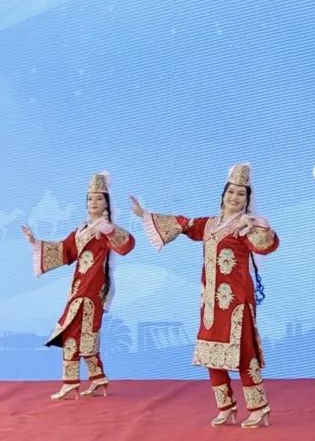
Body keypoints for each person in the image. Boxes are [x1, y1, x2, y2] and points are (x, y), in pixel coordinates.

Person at [131, 163, 278, 428]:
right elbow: (184, 224)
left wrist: (256, 226)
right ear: (223, 195)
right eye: (231, 192)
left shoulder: (245, 226)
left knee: (244, 355)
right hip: (211, 303)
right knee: (211, 354)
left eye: (241, 194)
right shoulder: (209, 225)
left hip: (236, 302)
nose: (234, 197)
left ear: (247, 200)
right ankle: (226, 407)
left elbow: (265, 246)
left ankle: (259, 408)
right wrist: (146, 215)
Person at [23, 171, 135, 400]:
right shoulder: (81, 229)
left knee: (69, 333)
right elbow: (64, 250)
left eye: (99, 198)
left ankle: (70, 382)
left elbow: (126, 244)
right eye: (90, 198)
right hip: (79, 286)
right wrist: (35, 243)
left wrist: (110, 230)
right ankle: (98, 378)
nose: (93, 202)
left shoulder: (105, 228)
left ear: (107, 203)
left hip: (92, 288)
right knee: (85, 335)